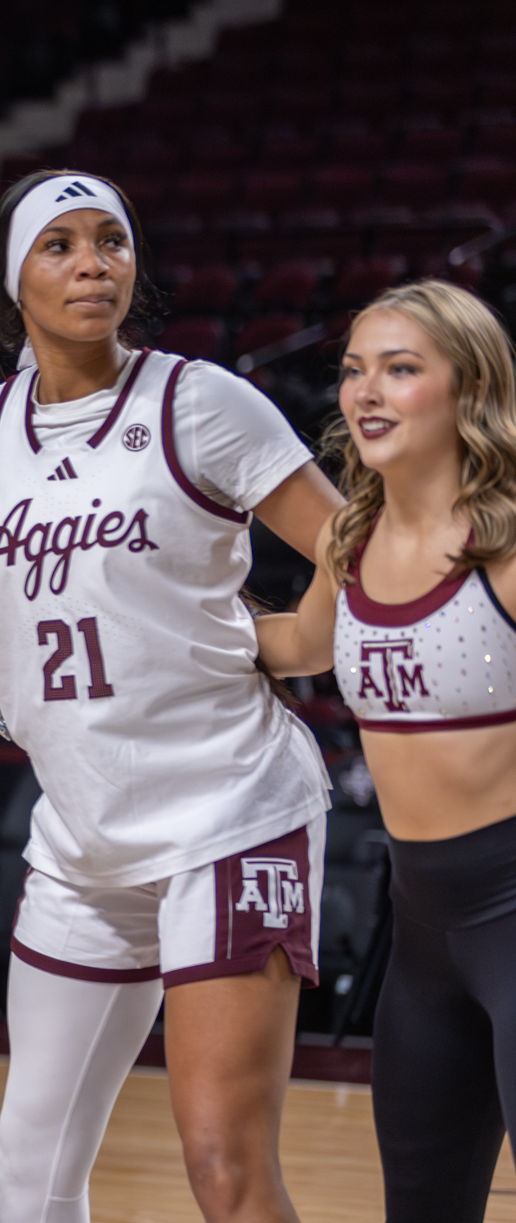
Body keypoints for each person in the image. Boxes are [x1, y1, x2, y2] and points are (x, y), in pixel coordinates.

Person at [0, 170, 343, 1223]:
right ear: (13, 280)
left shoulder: (197, 400)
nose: (92, 263)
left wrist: (296, 636)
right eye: (61, 245)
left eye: (110, 242)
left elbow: (349, 547)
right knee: (30, 1176)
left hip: (224, 812)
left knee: (221, 1165)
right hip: (82, 836)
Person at [254, 280, 516, 1222]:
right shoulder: (349, 539)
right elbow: (300, 647)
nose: (365, 391)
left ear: (470, 388)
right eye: (355, 369)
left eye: (401, 369)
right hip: (423, 942)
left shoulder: (509, 545)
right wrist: (176, 616)